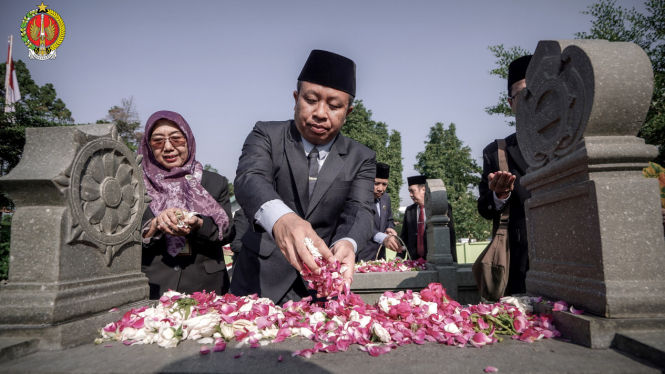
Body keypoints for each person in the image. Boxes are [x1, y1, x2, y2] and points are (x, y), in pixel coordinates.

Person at [230, 50, 376, 304]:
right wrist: (282, 220)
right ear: (296, 99)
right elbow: (250, 178)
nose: (320, 113)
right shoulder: (266, 134)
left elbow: (360, 209)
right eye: (311, 100)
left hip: (322, 284)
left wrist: (347, 242)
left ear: (348, 112)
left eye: (334, 106)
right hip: (259, 280)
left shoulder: (361, 157)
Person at [138, 111, 233, 300]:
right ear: (148, 147)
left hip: (206, 286)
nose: (168, 147)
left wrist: (198, 225)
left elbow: (228, 232)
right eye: (158, 141)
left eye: (176, 139)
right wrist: (154, 226)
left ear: (188, 140)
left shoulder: (214, 182)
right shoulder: (135, 185)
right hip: (154, 285)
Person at [477, 55, 533, 295]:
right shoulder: (497, 151)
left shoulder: (571, 144)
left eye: (538, 91)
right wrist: (499, 196)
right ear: (511, 103)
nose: (532, 100)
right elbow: (484, 208)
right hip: (520, 262)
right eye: (523, 95)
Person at [399, 175, 456, 261]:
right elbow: (404, 236)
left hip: (435, 259)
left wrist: (453, 261)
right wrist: (399, 256)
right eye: (409, 191)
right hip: (413, 260)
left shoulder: (442, 208)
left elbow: (450, 235)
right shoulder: (409, 210)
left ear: (423, 189)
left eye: (412, 191)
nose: (410, 195)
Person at [356, 163, 401, 262]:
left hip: (380, 255)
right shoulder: (359, 198)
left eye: (384, 184)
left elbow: (389, 220)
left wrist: (390, 228)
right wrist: (383, 238)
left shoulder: (386, 198)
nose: (380, 188)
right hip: (361, 256)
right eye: (376, 183)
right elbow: (361, 224)